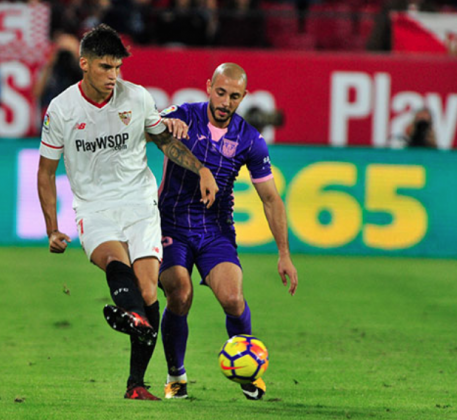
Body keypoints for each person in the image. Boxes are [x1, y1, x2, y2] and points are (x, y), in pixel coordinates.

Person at [36, 24, 218, 401]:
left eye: (118, 67)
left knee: (149, 291)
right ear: (84, 64)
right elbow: (45, 172)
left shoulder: (136, 98)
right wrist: (52, 228)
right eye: (105, 67)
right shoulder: (62, 110)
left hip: (138, 200)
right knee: (113, 260)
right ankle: (132, 323)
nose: (114, 76)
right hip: (94, 204)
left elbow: (163, 140)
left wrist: (200, 168)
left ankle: (135, 382)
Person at [158, 63, 299, 401]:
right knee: (180, 293)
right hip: (171, 223)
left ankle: (248, 370)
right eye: (220, 92)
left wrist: (284, 254)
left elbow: (271, 199)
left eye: (234, 96)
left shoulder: (249, 139)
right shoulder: (182, 116)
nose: (225, 101)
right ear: (209, 87)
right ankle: (176, 375)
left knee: (234, 300)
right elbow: (151, 131)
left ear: (243, 97)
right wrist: (164, 126)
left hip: (214, 229)